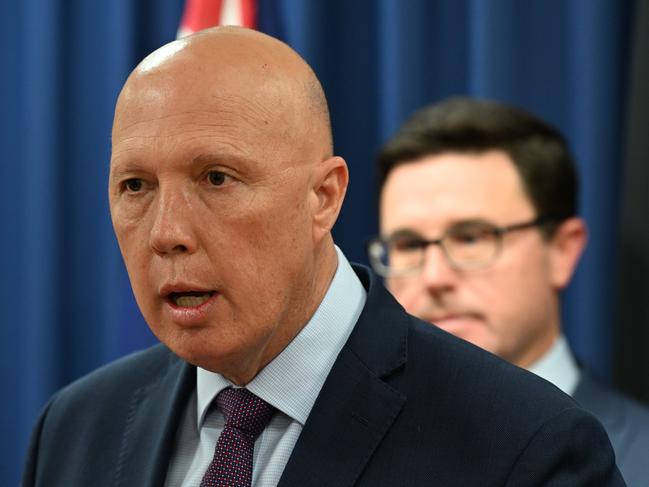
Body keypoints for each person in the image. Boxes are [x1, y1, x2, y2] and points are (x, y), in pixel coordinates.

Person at [23, 28, 623, 486]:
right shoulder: (74, 430)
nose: (167, 232)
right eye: (135, 186)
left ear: (323, 197)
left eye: (216, 178)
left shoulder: (524, 447)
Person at [370, 96, 649, 486]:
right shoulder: (348, 455)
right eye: (409, 245)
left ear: (562, 250)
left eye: (471, 238)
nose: (434, 277)